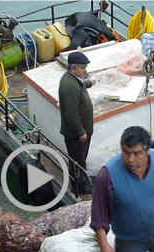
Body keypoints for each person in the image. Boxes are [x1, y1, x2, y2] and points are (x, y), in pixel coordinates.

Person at [58, 51, 94, 200]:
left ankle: (81, 185)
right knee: (77, 162)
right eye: (82, 67)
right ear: (73, 68)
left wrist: (88, 83)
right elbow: (70, 113)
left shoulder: (73, 80)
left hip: (82, 132)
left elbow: (80, 86)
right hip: (76, 135)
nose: (85, 70)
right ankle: (79, 190)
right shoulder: (69, 86)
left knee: (80, 159)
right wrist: (80, 132)